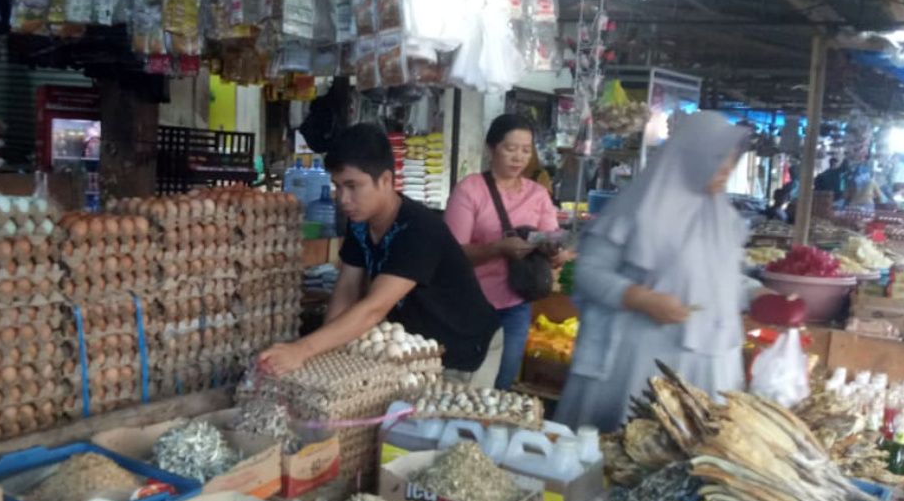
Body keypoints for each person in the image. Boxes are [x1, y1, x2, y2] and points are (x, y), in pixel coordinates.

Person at [554, 112, 760, 432]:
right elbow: (590, 271)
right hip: (638, 363)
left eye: (731, 161)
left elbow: (721, 277)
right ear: (692, 155)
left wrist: (761, 294)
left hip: (705, 365)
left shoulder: (723, 218)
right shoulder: (637, 208)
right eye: (719, 158)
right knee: (632, 445)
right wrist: (641, 299)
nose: (726, 169)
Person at [257, 123, 502, 386]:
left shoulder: (418, 229)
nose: (343, 199)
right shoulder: (360, 222)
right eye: (338, 186)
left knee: (443, 425)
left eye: (353, 186)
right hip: (417, 352)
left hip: (463, 351)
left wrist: (302, 350)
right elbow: (347, 289)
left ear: (386, 180)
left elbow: (374, 308)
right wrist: (323, 352)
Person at [446, 114, 562, 390]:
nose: (519, 157)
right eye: (510, 148)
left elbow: (551, 237)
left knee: (502, 382)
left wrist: (557, 253)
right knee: (466, 383)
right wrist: (497, 248)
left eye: (525, 150)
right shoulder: (470, 190)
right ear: (491, 148)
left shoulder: (538, 194)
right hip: (471, 304)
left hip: (515, 303)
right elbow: (452, 254)